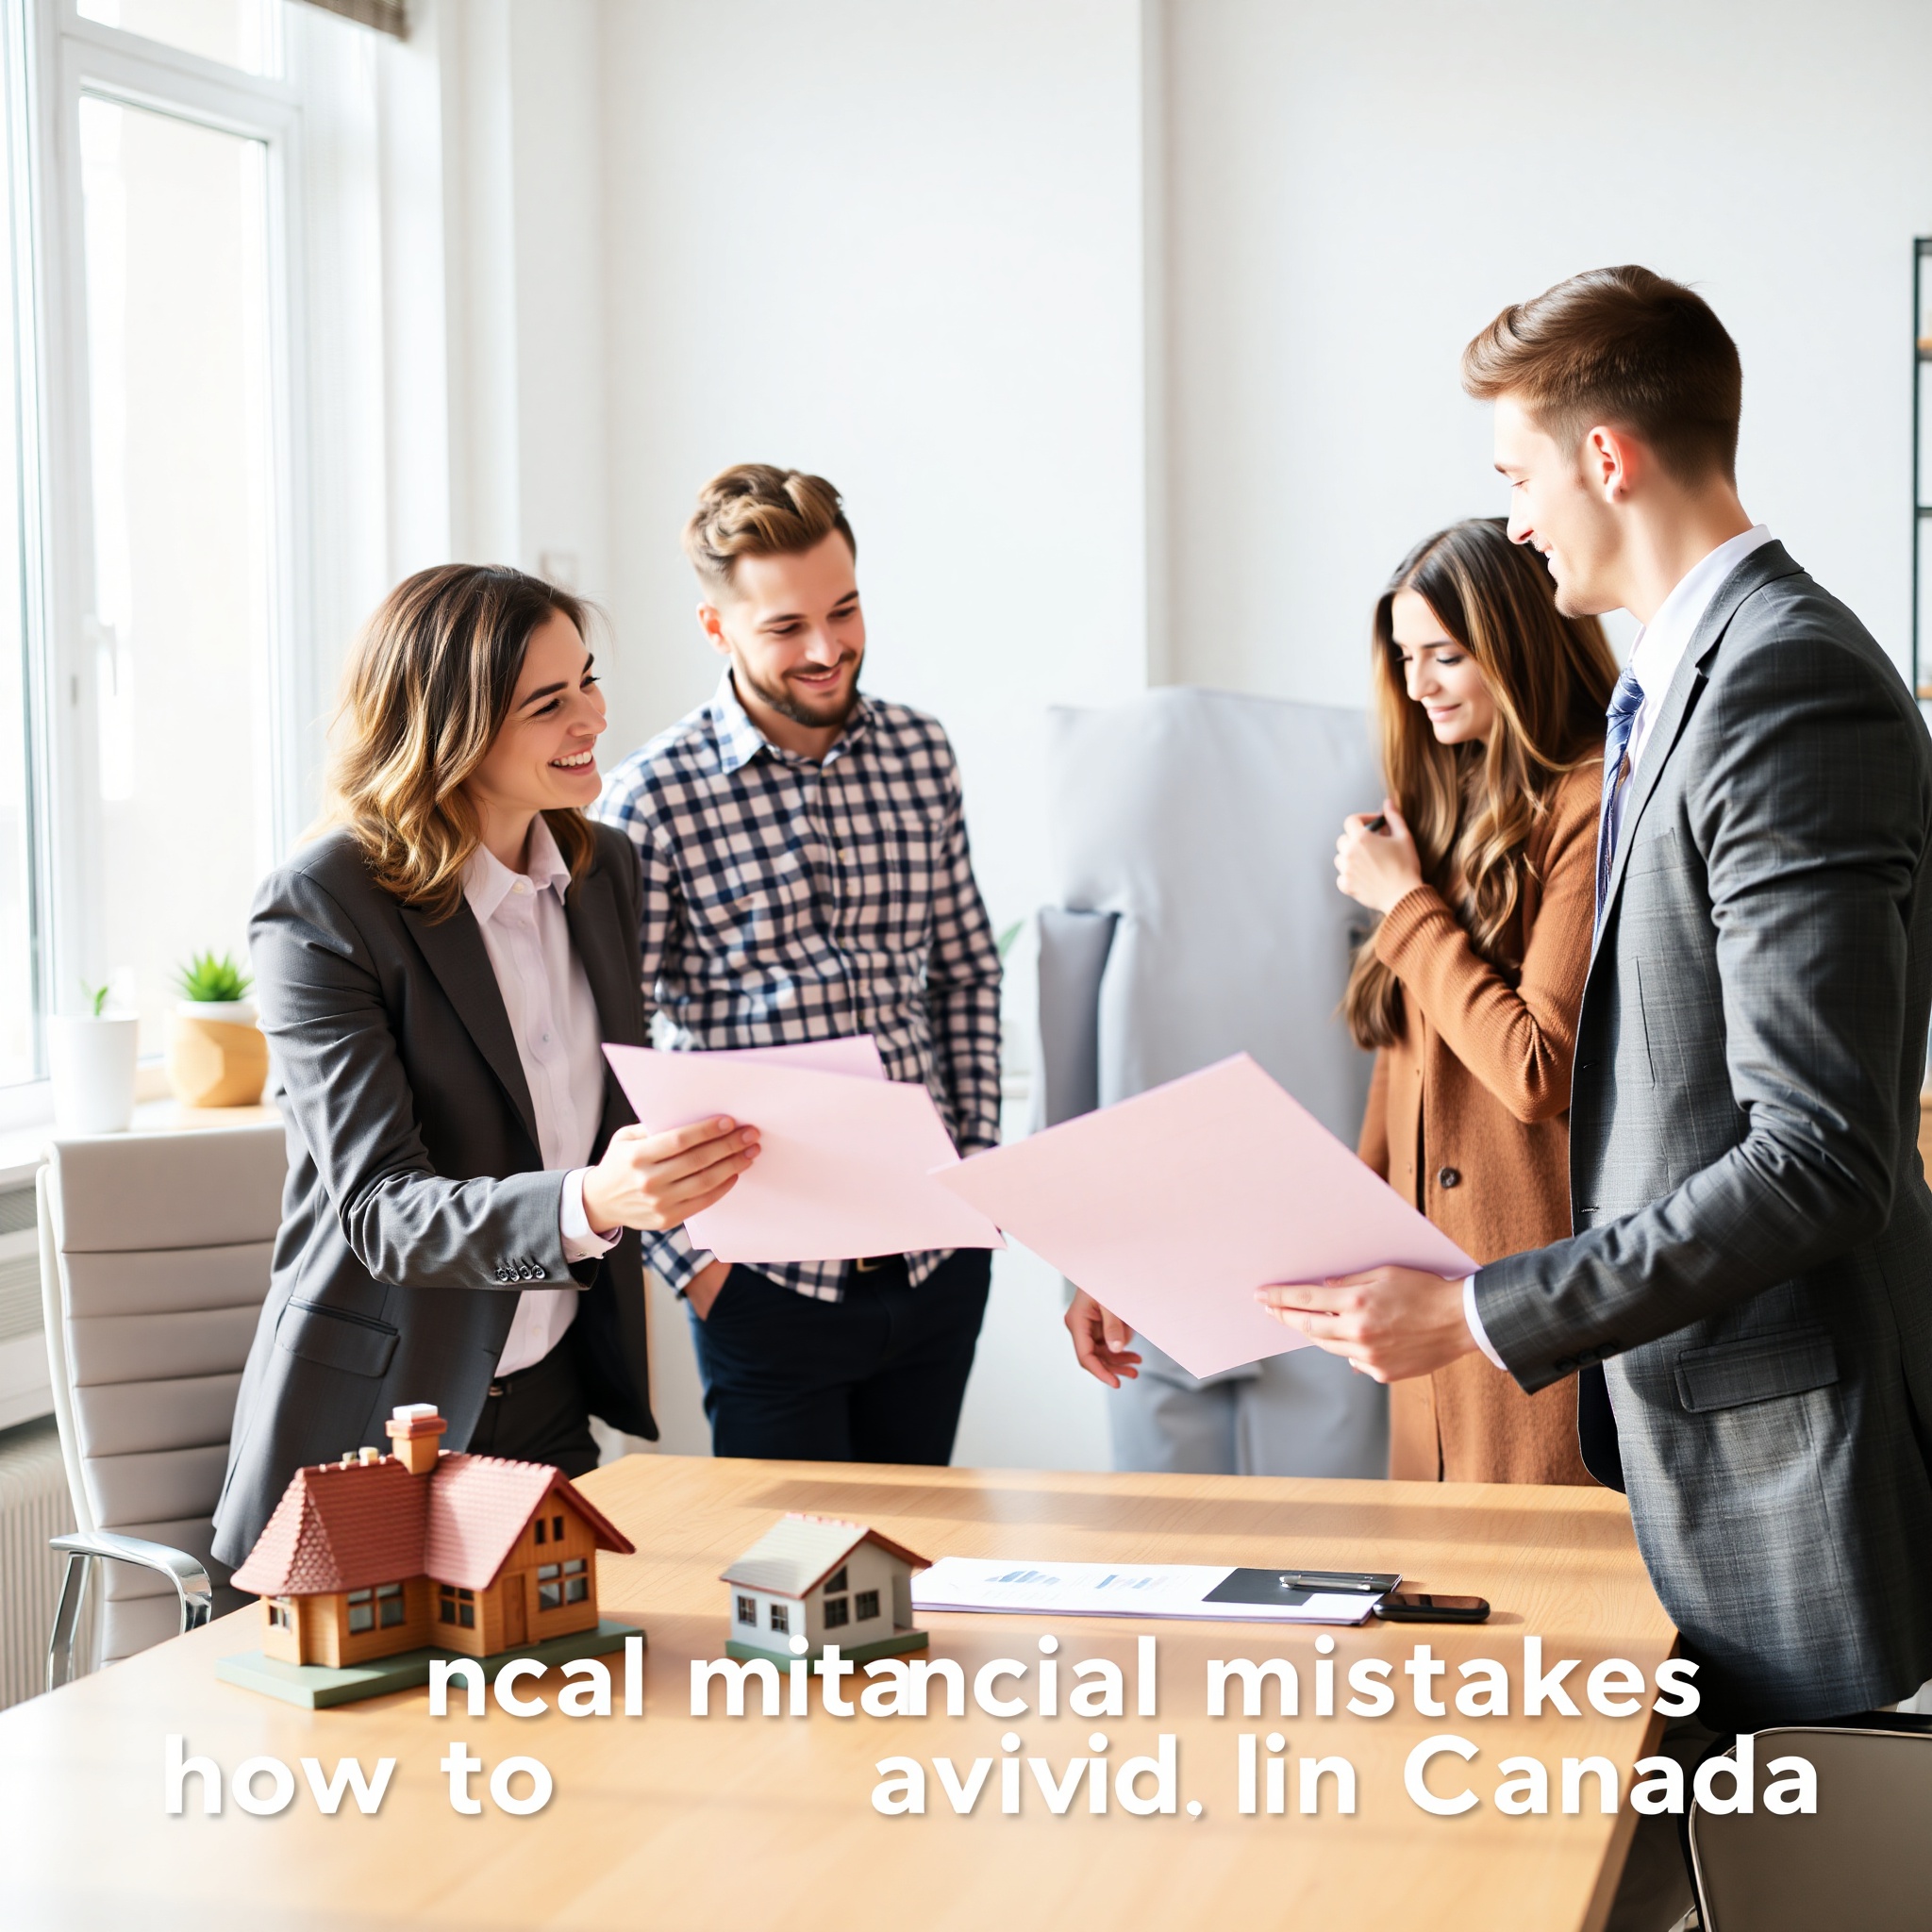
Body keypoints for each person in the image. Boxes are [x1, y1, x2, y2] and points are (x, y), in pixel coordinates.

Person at [1258, 267, 1932, 1740]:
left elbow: (1818, 1156)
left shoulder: (1784, 685)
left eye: (1519, 476)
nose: (1515, 520)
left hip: (1772, 1454)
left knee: (1773, 1850)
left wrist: (1480, 1309)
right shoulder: (1685, 687)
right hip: (1670, 1428)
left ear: (1607, 459)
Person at [212, 565, 758, 1567]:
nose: (592, 717)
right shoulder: (323, 905)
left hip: (550, 1394)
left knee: (593, 1663)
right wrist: (591, 1200)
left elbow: (600, 1112)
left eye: (587, 681)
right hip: (384, 1416)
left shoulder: (603, 869)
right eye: (548, 704)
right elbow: (383, 1211)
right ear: (448, 729)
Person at [592, 463, 1003, 1464]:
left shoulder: (920, 754)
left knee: (916, 1554)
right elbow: (609, 1051)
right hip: (764, 1284)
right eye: (785, 627)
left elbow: (964, 973)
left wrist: (979, 1182)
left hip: (934, 1264)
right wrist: (692, 1265)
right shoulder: (650, 800)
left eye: (844, 611)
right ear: (715, 627)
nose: (826, 649)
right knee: (787, 1561)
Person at [1339, 517, 1616, 1485]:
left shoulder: (1592, 799)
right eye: (1405, 657)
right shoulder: (1439, 806)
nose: (1418, 685)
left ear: (1518, 644)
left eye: (1445, 655)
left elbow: (1537, 1068)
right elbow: (1402, 1069)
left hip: (1526, 1320)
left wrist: (1402, 905)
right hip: (1423, 1347)